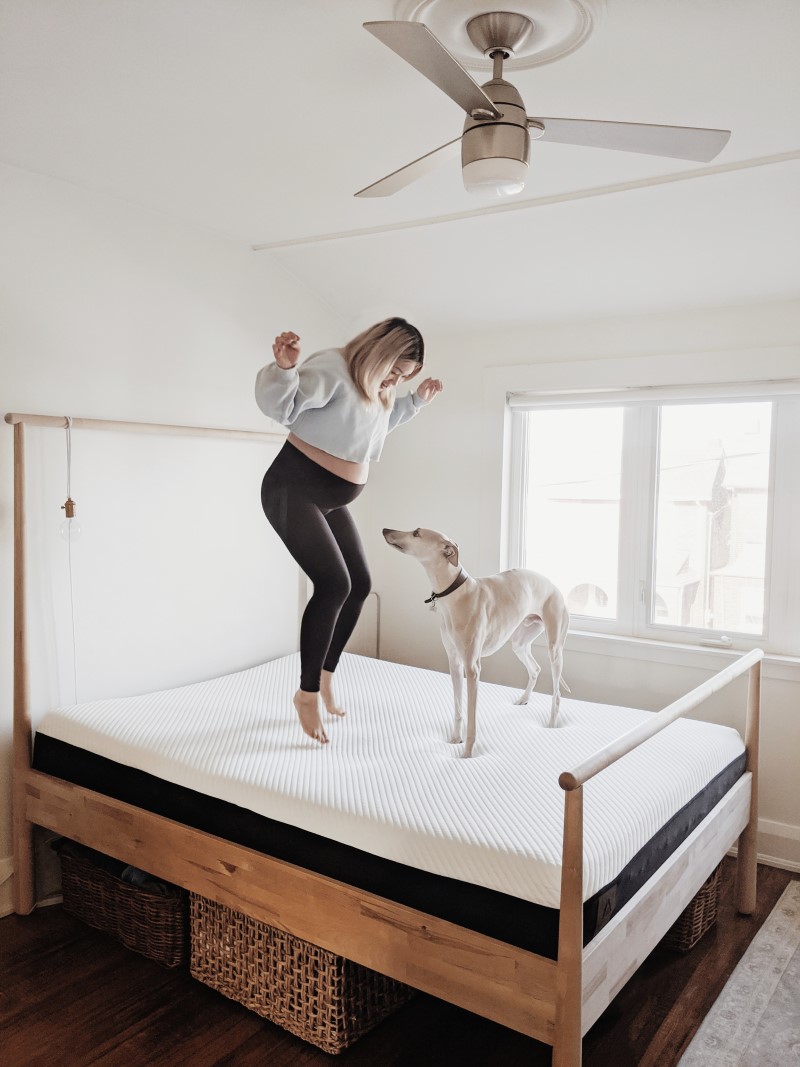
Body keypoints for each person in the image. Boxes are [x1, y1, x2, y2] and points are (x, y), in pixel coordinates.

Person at [255, 317, 443, 744]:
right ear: (381, 351)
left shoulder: (377, 389)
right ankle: (305, 695)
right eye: (395, 370)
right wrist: (285, 370)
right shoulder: (333, 368)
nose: (395, 380)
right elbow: (281, 407)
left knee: (359, 584)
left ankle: (323, 677)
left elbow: (377, 425)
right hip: (292, 489)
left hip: (328, 497)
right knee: (333, 584)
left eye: (403, 377)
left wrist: (415, 400)